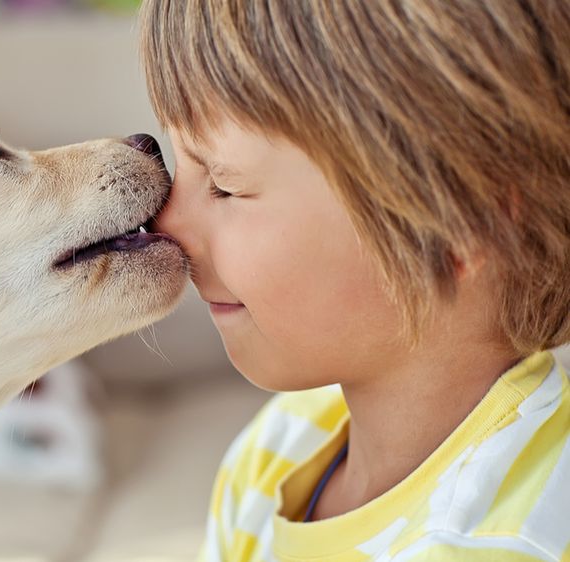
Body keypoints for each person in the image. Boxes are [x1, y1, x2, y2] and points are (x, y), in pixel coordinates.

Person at [138, 1, 570, 559]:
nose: (166, 222)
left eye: (224, 185)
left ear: (456, 222)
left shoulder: (505, 543)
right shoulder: (279, 451)